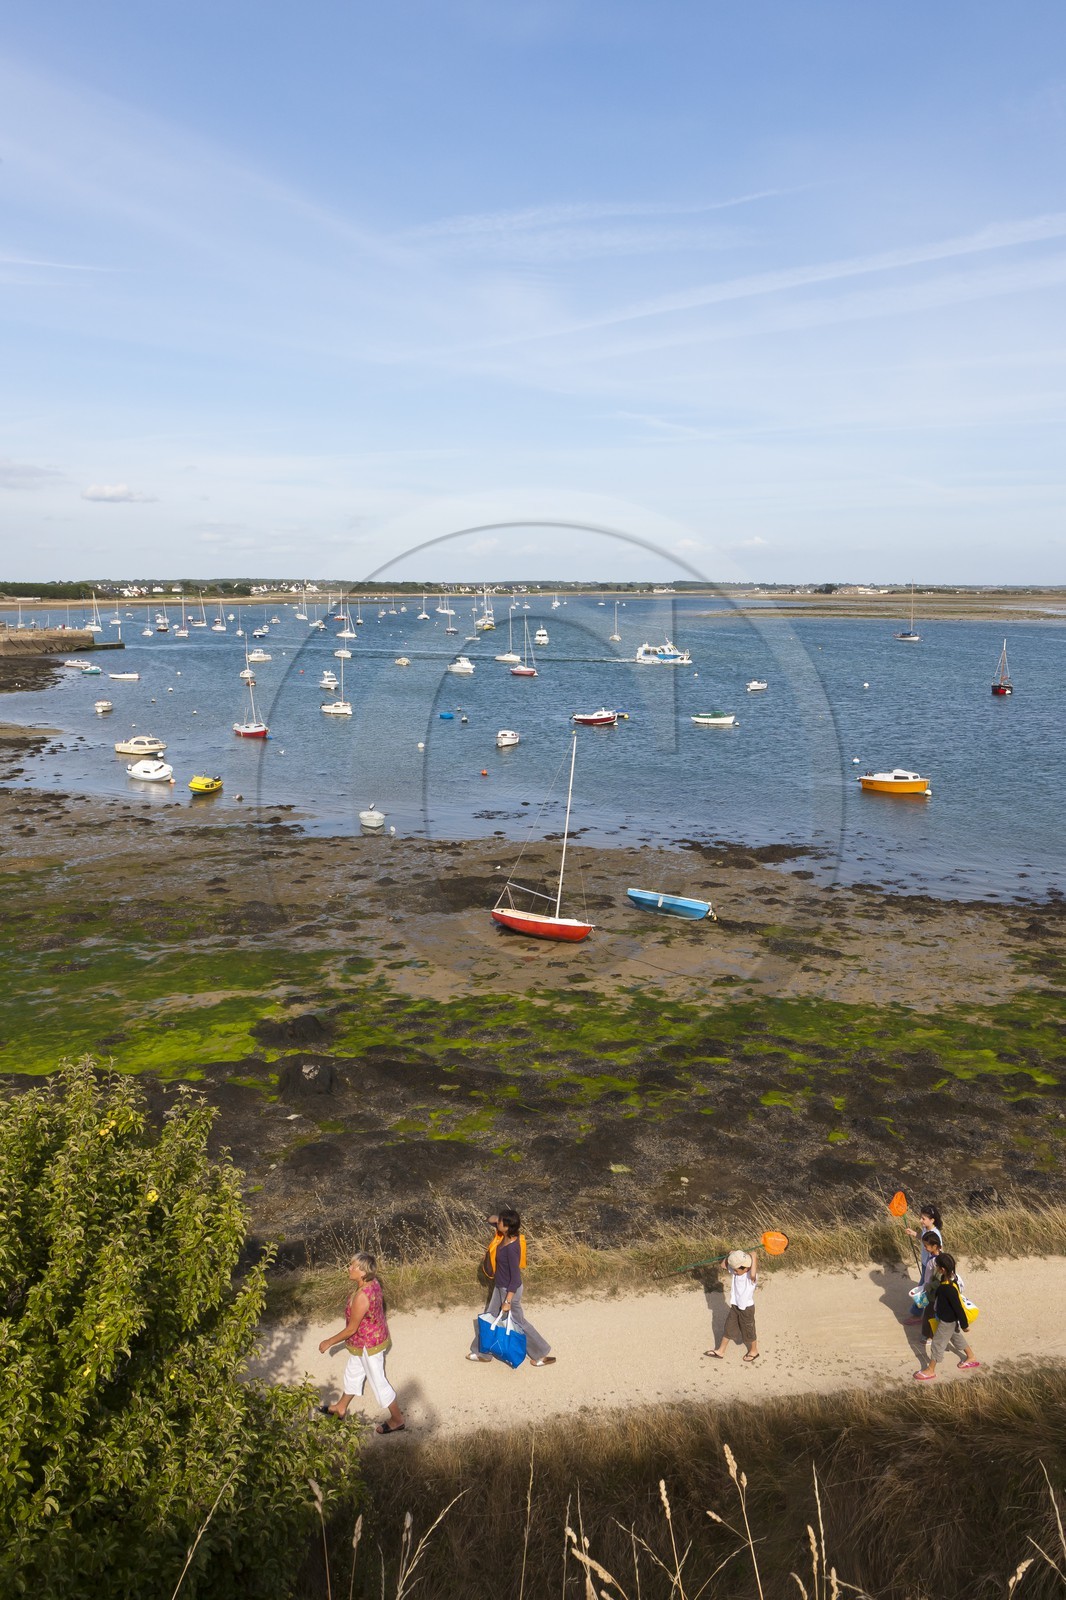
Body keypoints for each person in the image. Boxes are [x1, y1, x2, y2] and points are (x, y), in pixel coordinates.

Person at [318, 1252, 405, 1434]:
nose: (349, 1268)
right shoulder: (372, 1284)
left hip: (369, 1345)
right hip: (368, 1339)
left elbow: (351, 1329)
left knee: (378, 1382)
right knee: (353, 1373)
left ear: (363, 1272)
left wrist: (329, 1342)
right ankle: (341, 1408)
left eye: (353, 1266)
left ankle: (397, 1419)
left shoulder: (361, 1297)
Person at [467, 1207, 555, 1366]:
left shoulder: (513, 1248)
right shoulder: (504, 1234)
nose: (497, 1222)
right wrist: (496, 1219)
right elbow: (490, 1219)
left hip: (509, 1291)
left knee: (519, 1323)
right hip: (499, 1286)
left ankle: (540, 1354)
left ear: (506, 1226)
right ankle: (483, 1353)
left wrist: (507, 1301)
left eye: (500, 1221)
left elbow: (515, 1279)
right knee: (489, 1317)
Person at [914, 1253, 980, 1380]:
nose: (936, 1268)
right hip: (946, 1318)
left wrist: (965, 1325)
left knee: (937, 1344)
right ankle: (971, 1357)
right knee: (955, 1338)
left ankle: (930, 1369)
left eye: (937, 1266)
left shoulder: (947, 1288)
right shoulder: (947, 1281)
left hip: (947, 1320)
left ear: (942, 1269)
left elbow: (958, 1308)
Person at [706, 1249, 759, 1363]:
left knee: (748, 1330)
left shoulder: (751, 1277)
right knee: (728, 1327)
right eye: (733, 1269)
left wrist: (753, 1257)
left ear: (746, 1268)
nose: (734, 1272)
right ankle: (721, 1351)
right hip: (735, 1307)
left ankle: (754, 1351)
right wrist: (730, 1255)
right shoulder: (738, 1270)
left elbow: (753, 1273)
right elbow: (723, 1266)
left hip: (746, 1309)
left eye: (736, 1270)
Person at [904, 1205, 944, 1324]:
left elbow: (939, 1250)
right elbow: (924, 1238)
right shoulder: (926, 1229)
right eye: (920, 1218)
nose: (921, 1220)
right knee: (926, 1288)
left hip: (931, 1266)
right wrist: (914, 1234)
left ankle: (917, 1314)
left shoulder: (935, 1234)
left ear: (932, 1220)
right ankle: (927, 1311)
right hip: (925, 1263)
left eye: (923, 1218)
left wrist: (935, 1268)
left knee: (923, 1290)